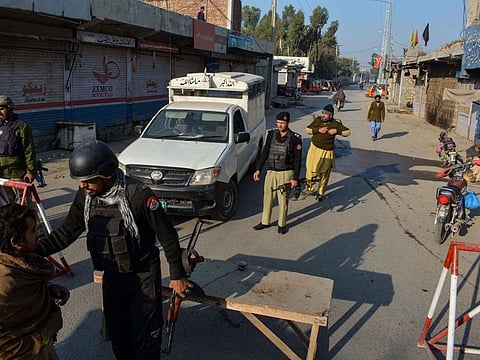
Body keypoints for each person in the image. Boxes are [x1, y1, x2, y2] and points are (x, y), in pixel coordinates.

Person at [35, 140, 191, 360]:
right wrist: (28, 252)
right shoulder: (86, 198)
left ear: (106, 174)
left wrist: (177, 275)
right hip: (112, 277)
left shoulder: (139, 195)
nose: (82, 186)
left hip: (143, 277)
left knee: (146, 341)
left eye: (87, 181)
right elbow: (65, 233)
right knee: (119, 340)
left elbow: (167, 236)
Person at [0, 203, 70, 360]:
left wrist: (48, 291)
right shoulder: (5, 282)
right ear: (16, 242)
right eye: (32, 231)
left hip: (41, 344)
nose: (38, 234)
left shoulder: (23, 265)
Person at [252, 111, 302, 234]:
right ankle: (265, 221)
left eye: (283, 123)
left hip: (285, 173)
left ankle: (282, 224)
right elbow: (264, 153)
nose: (280, 125)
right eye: (278, 122)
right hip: (271, 172)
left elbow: (297, 160)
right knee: (267, 198)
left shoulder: (295, 138)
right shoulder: (271, 135)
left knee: (283, 200)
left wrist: (295, 178)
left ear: (288, 123)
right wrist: (258, 169)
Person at [301, 104, 351, 202]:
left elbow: (347, 132)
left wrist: (336, 131)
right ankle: (310, 189)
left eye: (326, 114)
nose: (323, 115)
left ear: (331, 115)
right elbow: (307, 130)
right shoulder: (318, 120)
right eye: (323, 112)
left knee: (324, 173)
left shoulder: (335, 123)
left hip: (326, 152)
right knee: (310, 170)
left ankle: (320, 192)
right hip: (314, 149)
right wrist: (317, 130)